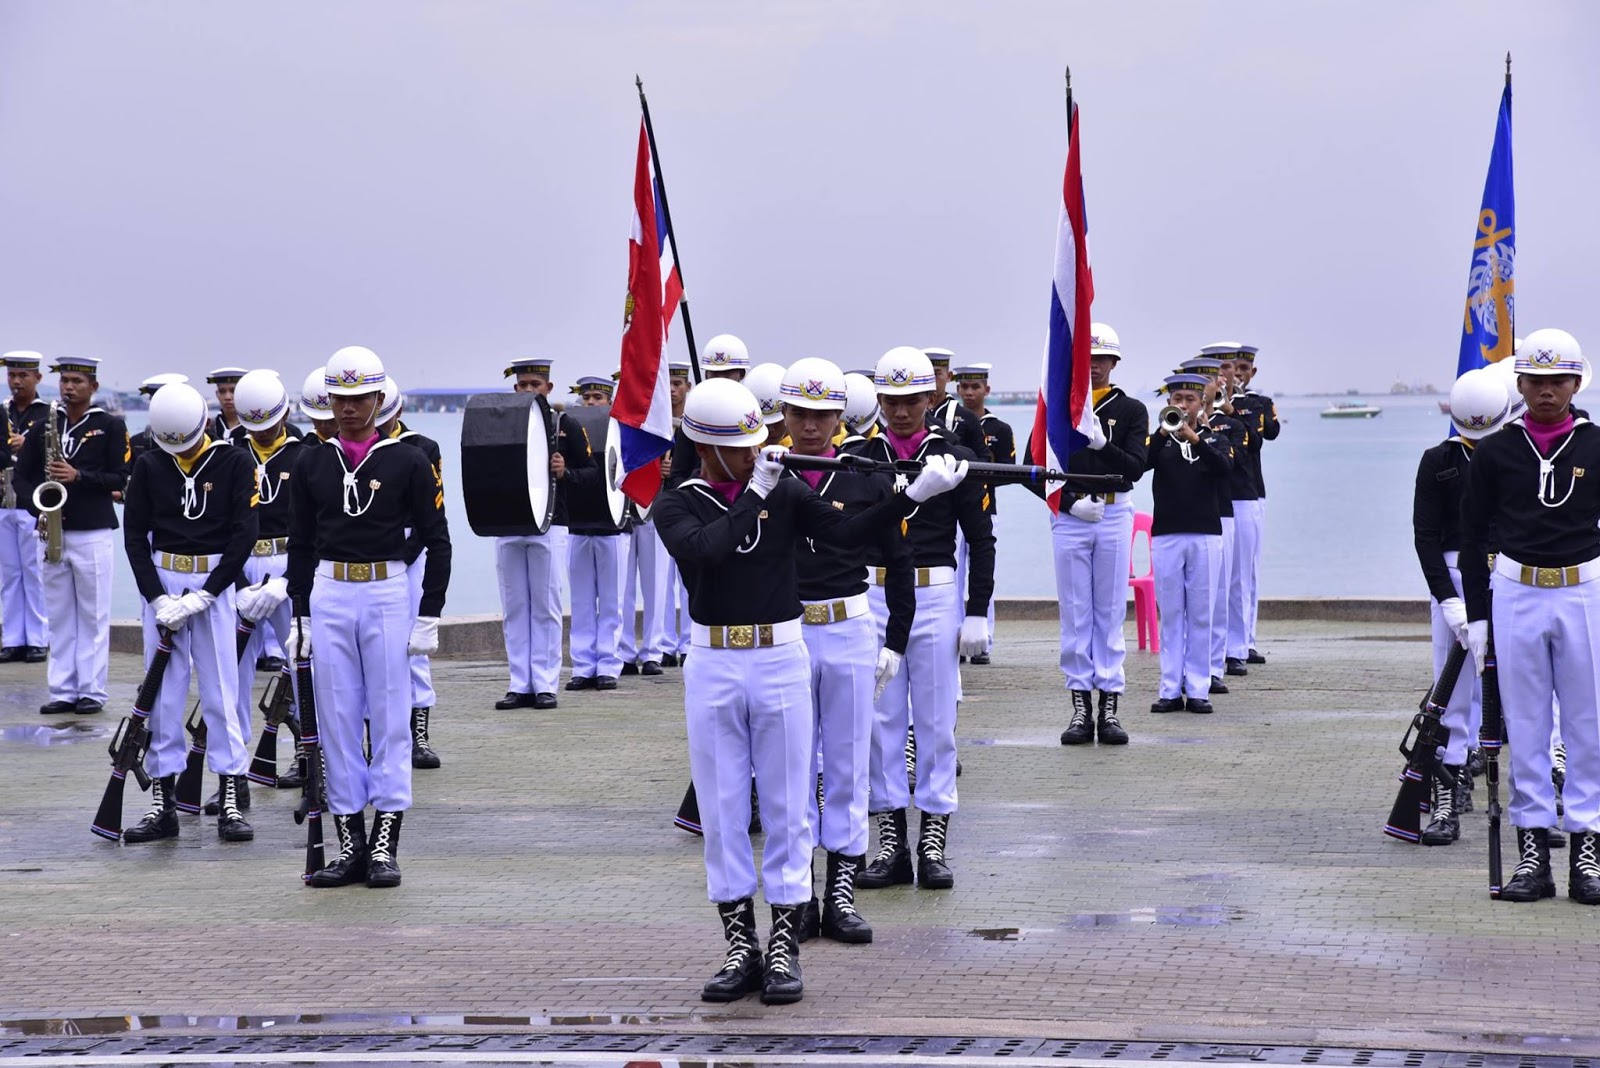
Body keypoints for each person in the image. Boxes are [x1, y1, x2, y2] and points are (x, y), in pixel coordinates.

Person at [654, 376, 964, 1005]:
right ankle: (740, 943)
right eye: (741, 447)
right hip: (714, 661)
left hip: (779, 657)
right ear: (707, 450)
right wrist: (757, 494)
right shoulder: (676, 503)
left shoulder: (786, 489)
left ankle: (784, 945)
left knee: (792, 802)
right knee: (722, 809)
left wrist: (911, 495)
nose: (757, 452)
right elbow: (710, 553)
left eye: (756, 441)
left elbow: (848, 534)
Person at [287, 346, 451, 889]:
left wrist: (428, 613)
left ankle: (385, 841)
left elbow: (437, 540)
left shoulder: (408, 459)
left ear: (380, 399)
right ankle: (349, 842)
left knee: (388, 717)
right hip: (331, 590)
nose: (350, 408)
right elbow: (301, 547)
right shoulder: (310, 461)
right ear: (328, 400)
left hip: (386, 590)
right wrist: (301, 614)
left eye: (360, 398)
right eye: (341, 398)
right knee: (335, 720)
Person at [1461, 329, 1600, 904]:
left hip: (1584, 590)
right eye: (1537, 382)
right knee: (1525, 724)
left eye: (1558, 382)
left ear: (1575, 383)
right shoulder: (1495, 449)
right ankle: (1534, 851)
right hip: (1515, 591)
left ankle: (1587, 848)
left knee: (1588, 724)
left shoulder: (1596, 444)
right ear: (1520, 384)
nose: (1547, 392)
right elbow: (1472, 538)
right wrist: (1475, 616)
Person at [780, 357, 914, 945]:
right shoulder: (772, 473)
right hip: (788, 629)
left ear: (840, 416)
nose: (811, 426)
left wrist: (896, 641)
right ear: (783, 414)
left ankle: (841, 890)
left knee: (847, 763)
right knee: (794, 767)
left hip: (848, 626)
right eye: (800, 414)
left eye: (822, 415)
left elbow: (897, 561)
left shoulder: (864, 477)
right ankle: (800, 891)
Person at [850, 347, 993, 892]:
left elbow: (982, 540)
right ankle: (892, 843)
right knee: (882, 723)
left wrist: (977, 609)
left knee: (934, 722)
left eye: (912, 400)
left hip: (934, 595)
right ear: (881, 400)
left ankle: (933, 841)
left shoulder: (953, 456)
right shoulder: (862, 457)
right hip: (878, 593)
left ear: (931, 398)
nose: (902, 410)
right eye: (892, 400)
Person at [121, 381, 259, 843]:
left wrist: (210, 592)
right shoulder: (149, 463)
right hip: (164, 580)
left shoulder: (235, 461)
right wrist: (156, 597)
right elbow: (135, 536)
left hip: (212, 582)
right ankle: (164, 802)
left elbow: (245, 533)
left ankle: (232, 797)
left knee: (222, 692)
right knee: (162, 695)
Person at [1411, 367, 1513, 846]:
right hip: (1454, 579)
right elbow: (1425, 538)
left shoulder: (1515, 457)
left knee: (1525, 690)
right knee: (1451, 694)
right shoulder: (1437, 460)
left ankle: (1538, 797)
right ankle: (1447, 791)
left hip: (1511, 577)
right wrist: (1448, 600)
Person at [1049, 324, 1148, 745]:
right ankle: (1079, 706)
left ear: (1114, 363)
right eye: (1087, 361)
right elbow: (1036, 466)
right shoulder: (1059, 406)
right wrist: (1070, 503)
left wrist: (1102, 444)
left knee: (1108, 611)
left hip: (1112, 509)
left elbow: (1135, 468)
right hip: (1072, 513)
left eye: (1101, 360)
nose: (1094, 368)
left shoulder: (1131, 410)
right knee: (1075, 613)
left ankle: (1109, 705)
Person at [15, 357, 130, 715]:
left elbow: (120, 477)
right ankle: (63, 690)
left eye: (77, 381)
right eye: (64, 380)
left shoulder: (110, 425)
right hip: (52, 531)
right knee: (59, 616)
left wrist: (78, 476)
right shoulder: (43, 427)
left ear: (93, 387)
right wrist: (39, 509)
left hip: (92, 532)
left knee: (93, 616)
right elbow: (22, 476)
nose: (68, 387)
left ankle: (92, 692)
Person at [494, 358, 595, 710]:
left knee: (547, 606)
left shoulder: (564, 423)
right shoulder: (501, 423)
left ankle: (545, 682)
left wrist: (566, 472)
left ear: (548, 389)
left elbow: (592, 474)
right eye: (523, 385)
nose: (528, 390)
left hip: (552, 523)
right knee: (515, 607)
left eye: (535, 384)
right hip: (508, 522)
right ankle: (518, 682)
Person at [226, 369, 307, 794]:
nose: (261, 433)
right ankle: (233, 773)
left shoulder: (306, 453)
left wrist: (289, 580)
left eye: (269, 424)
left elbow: (314, 527)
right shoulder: (228, 454)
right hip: (241, 565)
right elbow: (222, 524)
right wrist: (236, 582)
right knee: (233, 676)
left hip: (287, 562)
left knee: (302, 668)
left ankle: (309, 758)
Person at [1145, 373, 1233, 716]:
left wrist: (1195, 438)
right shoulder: (1161, 441)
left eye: (1189, 400)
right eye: (1177, 399)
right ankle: (1169, 688)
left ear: (1201, 405)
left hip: (1206, 535)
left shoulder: (1214, 438)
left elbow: (1224, 468)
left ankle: (1198, 688)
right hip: (1167, 534)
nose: (1182, 405)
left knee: (1200, 614)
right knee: (1171, 615)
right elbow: (1140, 466)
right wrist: (1161, 433)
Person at [376, 376, 447, 767]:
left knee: (414, 642)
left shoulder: (422, 448)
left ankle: (418, 732)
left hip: (409, 550)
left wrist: (405, 554)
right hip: (366, 550)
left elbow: (432, 511)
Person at [1179, 354, 1246, 698]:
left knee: (1217, 595)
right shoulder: (1175, 423)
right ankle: (1185, 669)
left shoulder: (1225, 426)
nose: (1207, 387)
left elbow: (1234, 464)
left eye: (1210, 381)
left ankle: (1214, 665)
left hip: (1220, 513)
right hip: (1187, 519)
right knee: (1186, 601)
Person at [953, 363, 1013, 665]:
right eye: (964, 387)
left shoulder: (999, 428)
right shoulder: (953, 424)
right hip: (951, 510)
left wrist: (980, 477)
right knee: (953, 575)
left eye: (975, 387)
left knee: (982, 574)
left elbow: (1009, 470)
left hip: (986, 508)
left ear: (986, 390)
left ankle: (983, 638)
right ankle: (954, 636)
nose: (969, 392)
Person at [1, 352, 51, 664]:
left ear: (37, 378)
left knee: (34, 572)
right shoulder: (1, 411)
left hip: (31, 504)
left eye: (22, 375)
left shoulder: (47, 413)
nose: (16, 381)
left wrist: (26, 445)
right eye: (11, 375)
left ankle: (38, 638)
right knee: (8, 574)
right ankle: (12, 639)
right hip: (3, 500)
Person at [1234, 344, 1280, 663]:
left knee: (1246, 572)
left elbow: (1269, 434)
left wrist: (1235, 411)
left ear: (1253, 373)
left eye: (1243, 369)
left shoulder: (1259, 404)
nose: (1237, 373)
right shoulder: (1207, 402)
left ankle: (1246, 641)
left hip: (1249, 493)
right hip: (1216, 494)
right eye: (1231, 367)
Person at [666, 334, 750, 490]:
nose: (720, 379)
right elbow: (678, 476)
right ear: (706, 375)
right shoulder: (692, 421)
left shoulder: (752, 417)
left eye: (727, 373)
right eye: (715, 373)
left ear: (741, 374)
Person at [659, 358, 693, 667]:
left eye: (677, 384)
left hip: (688, 507)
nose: (671, 390)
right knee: (661, 582)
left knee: (688, 579)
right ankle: (665, 643)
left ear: (687, 388)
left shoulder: (694, 426)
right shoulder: (655, 427)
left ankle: (689, 642)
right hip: (659, 505)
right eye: (667, 384)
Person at [921, 348, 992, 461]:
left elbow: (984, 460)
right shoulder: (912, 414)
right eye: (926, 374)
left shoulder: (967, 416)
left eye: (936, 374)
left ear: (949, 376)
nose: (931, 380)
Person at [205, 368, 248, 442]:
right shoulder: (209, 428)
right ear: (217, 394)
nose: (227, 397)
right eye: (222, 391)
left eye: (233, 391)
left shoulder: (253, 429)